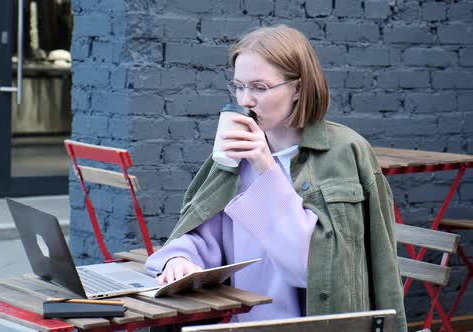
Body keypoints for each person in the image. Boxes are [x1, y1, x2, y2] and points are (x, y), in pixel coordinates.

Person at [145, 25, 407, 331]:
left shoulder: (345, 152)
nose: (246, 100)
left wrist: (265, 166)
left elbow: (310, 267)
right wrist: (179, 260)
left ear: (297, 88)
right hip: (239, 323)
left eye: (259, 87)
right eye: (239, 86)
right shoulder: (235, 155)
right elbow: (205, 236)